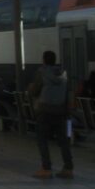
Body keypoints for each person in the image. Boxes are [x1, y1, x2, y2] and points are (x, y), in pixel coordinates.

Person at [27, 50, 74, 179]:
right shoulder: (63, 75)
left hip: (44, 111)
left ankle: (46, 168)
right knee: (63, 141)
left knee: (42, 140)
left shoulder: (41, 73)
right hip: (61, 112)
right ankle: (68, 168)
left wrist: (31, 89)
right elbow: (68, 93)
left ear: (44, 60)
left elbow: (34, 91)